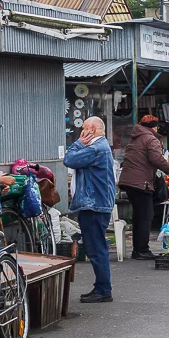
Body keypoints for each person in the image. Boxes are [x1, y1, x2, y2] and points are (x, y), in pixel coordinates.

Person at [64, 117, 116, 303]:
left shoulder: (96, 148)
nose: (81, 133)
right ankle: (101, 287)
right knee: (96, 246)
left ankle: (103, 289)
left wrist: (78, 143)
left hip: (94, 204)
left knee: (96, 247)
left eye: (84, 129)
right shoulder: (100, 147)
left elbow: (69, 159)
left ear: (92, 129)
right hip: (96, 203)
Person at [118, 115, 169, 260]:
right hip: (140, 183)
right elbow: (156, 159)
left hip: (130, 182)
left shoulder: (135, 138)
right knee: (145, 217)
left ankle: (138, 249)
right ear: (154, 127)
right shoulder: (150, 139)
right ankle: (141, 250)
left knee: (139, 216)